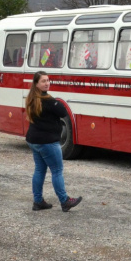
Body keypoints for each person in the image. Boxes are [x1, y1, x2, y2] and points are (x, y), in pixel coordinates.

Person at [25, 71, 82, 212]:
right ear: (36, 84)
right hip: (47, 142)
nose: (47, 83)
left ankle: (38, 201)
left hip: (34, 140)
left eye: (48, 80)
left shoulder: (32, 98)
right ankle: (65, 201)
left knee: (39, 170)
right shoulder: (49, 101)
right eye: (43, 81)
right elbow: (63, 112)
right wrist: (56, 101)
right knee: (57, 171)